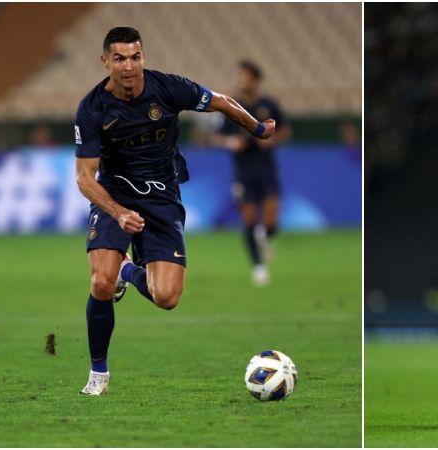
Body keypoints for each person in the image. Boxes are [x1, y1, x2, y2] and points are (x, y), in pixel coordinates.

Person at [75, 27, 275, 395]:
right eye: (119, 58)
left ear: (143, 58)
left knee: (166, 297)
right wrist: (118, 213)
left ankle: (128, 271)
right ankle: (98, 373)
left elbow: (220, 101)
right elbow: (85, 179)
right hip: (115, 194)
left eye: (135, 57)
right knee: (100, 283)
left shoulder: (167, 88)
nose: (128, 66)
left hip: (162, 196)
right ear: (106, 62)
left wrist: (257, 127)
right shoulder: (92, 109)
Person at [211, 60, 291, 286]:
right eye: (238, 76)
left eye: (244, 76)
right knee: (248, 218)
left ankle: (265, 235)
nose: (240, 81)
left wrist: (273, 140)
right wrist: (230, 142)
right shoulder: (231, 105)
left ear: (255, 79)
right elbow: (216, 137)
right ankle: (258, 267)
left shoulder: (268, 104)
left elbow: (285, 130)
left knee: (271, 220)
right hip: (243, 171)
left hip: (266, 169)